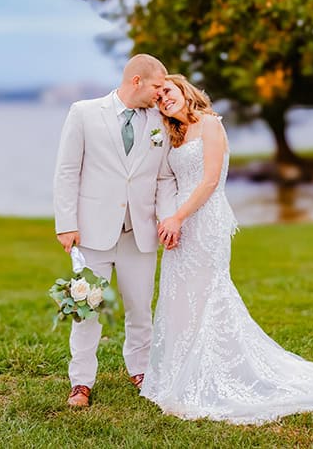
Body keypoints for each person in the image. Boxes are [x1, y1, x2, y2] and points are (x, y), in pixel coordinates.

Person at [141, 74, 313, 424]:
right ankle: (179, 373)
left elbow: (210, 180)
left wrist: (179, 217)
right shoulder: (175, 135)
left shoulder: (210, 125)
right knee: (180, 294)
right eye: (157, 99)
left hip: (203, 220)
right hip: (179, 223)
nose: (163, 100)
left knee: (208, 293)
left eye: (167, 91)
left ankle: (211, 374)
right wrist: (167, 218)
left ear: (183, 89)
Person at [53, 54, 179, 407]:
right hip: (92, 232)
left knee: (140, 308)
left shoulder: (160, 121)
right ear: (136, 81)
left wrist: (167, 219)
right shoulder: (84, 112)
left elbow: (165, 177)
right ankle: (80, 382)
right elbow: (67, 171)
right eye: (157, 85)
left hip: (140, 233)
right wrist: (66, 223)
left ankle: (141, 370)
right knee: (87, 308)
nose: (162, 93)